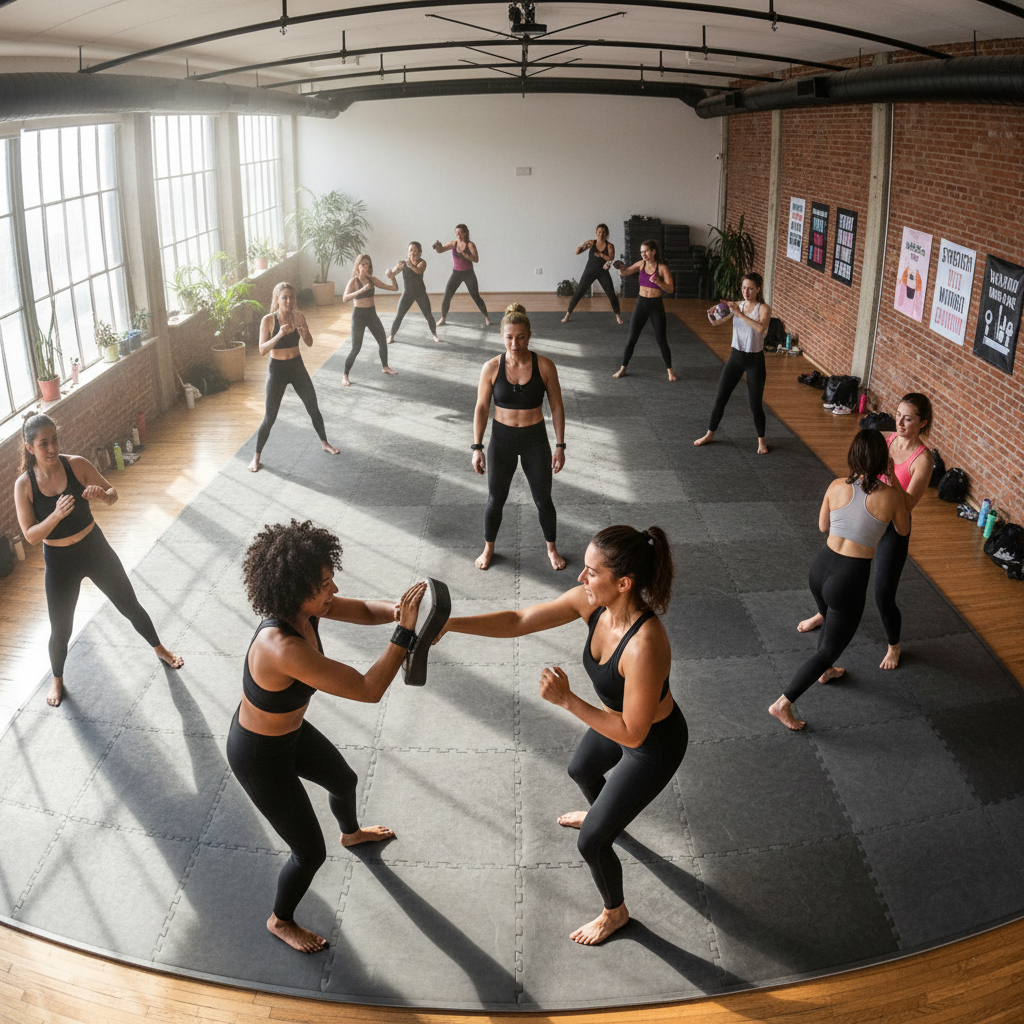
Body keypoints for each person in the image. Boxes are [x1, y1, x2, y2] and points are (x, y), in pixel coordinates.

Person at [438, 525, 686, 945]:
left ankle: (616, 912)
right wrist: (451, 624)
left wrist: (567, 700)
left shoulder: (646, 643)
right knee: (581, 770)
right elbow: (519, 621)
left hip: (651, 745)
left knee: (591, 845)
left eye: (591, 572)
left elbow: (632, 732)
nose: (580, 578)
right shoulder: (592, 604)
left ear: (623, 583)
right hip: (616, 721)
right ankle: (607, 817)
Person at [227, 519, 428, 953]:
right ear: (296, 589)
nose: (333, 587)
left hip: (290, 734)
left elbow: (361, 610)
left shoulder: (309, 608)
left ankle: (351, 834)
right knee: (309, 854)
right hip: (259, 755)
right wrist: (405, 632)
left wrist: (398, 611)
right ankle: (280, 920)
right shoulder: (283, 647)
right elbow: (368, 689)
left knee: (345, 781)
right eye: (323, 582)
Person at [14, 414, 183, 708]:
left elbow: (113, 493)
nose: (52, 448)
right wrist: (56, 515)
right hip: (59, 561)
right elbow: (29, 535)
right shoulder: (24, 485)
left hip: (94, 548)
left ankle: (160, 649)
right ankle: (57, 678)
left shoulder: (77, 464)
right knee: (61, 629)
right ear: (30, 448)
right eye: (44, 444)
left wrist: (102, 497)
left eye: (55, 440)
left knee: (129, 604)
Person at [770, 430, 911, 730]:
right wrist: (894, 480)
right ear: (883, 462)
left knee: (829, 622)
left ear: (853, 456)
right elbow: (902, 529)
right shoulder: (891, 497)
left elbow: (823, 526)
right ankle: (783, 703)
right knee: (826, 649)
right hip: (849, 578)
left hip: (820, 569)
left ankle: (827, 670)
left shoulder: (836, 485)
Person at [797, 393, 934, 670]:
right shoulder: (886, 441)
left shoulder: (924, 460)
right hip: (868, 514)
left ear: (922, 423)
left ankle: (893, 645)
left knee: (882, 594)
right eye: (898, 415)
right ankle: (825, 613)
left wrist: (892, 474)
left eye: (908, 419)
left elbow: (906, 507)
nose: (900, 422)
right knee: (834, 570)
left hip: (894, 527)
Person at [471, 303, 566, 571]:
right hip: (502, 440)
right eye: (510, 337)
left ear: (530, 335)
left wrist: (560, 445)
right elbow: (481, 408)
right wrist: (477, 447)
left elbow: (557, 406)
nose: (515, 343)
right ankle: (488, 548)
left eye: (521, 337)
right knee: (495, 499)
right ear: (502, 336)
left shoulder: (545, 366)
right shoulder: (490, 368)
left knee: (543, 499)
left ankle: (551, 549)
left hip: (535, 439)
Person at [248, 282, 341, 473]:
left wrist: (306, 334)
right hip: (277, 370)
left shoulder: (299, 316)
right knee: (270, 417)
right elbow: (262, 350)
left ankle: (325, 442)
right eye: (284, 298)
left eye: (291, 297)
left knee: (312, 407)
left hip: (296, 367)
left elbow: (310, 343)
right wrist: (279, 335)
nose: (288, 301)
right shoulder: (268, 320)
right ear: (277, 299)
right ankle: (256, 457)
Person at [693, 272, 771, 455]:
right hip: (736, 357)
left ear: (758, 289)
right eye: (744, 288)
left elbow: (760, 328)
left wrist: (738, 313)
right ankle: (709, 433)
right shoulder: (737, 305)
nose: (746, 292)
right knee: (721, 397)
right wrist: (721, 309)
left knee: (755, 404)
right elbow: (714, 322)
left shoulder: (764, 308)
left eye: (750, 288)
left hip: (755, 360)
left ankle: (761, 440)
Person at [612, 240, 678, 382]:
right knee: (631, 338)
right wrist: (621, 267)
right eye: (642, 252)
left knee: (661, 340)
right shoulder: (641, 264)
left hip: (656, 305)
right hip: (641, 304)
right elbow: (625, 273)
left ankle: (670, 371)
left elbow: (671, 289)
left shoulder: (662, 268)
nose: (644, 254)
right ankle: (623, 368)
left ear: (653, 251)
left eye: (646, 251)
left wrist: (658, 282)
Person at [341, 254, 399, 385]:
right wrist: (361, 290)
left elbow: (394, 288)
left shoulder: (372, 280)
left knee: (382, 341)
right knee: (356, 348)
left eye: (367, 264)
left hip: (371, 314)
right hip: (359, 316)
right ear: (358, 266)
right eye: (363, 264)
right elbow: (345, 298)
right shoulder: (354, 282)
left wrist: (393, 277)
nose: (365, 266)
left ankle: (385, 366)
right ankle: (345, 375)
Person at [561, 224, 624, 325]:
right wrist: (580, 245)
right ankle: (567, 315)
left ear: (607, 234)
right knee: (578, 292)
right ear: (596, 233)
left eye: (603, 232)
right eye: (599, 232)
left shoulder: (610, 246)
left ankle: (618, 316)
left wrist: (601, 255)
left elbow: (610, 258)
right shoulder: (591, 243)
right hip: (589, 271)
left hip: (602, 273)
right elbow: (577, 252)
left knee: (611, 294)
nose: (601, 234)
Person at [433, 224, 492, 326]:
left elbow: (476, 259)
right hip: (456, 274)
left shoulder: (470, 245)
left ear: (465, 233)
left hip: (468, 274)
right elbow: (441, 250)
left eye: (460, 232)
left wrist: (464, 253)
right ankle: (443, 318)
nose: (458, 234)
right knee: (447, 296)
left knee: (476, 297)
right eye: (456, 232)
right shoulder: (453, 243)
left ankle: (487, 317)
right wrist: (436, 247)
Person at [387, 242, 441, 345]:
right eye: (410, 250)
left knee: (428, 315)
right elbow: (394, 272)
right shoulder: (403, 264)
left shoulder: (422, 263)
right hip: (408, 293)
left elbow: (418, 271)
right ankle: (392, 335)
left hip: (420, 293)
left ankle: (434, 335)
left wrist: (410, 265)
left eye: (414, 250)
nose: (412, 252)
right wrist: (390, 273)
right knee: (399, 315)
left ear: (420, 252)